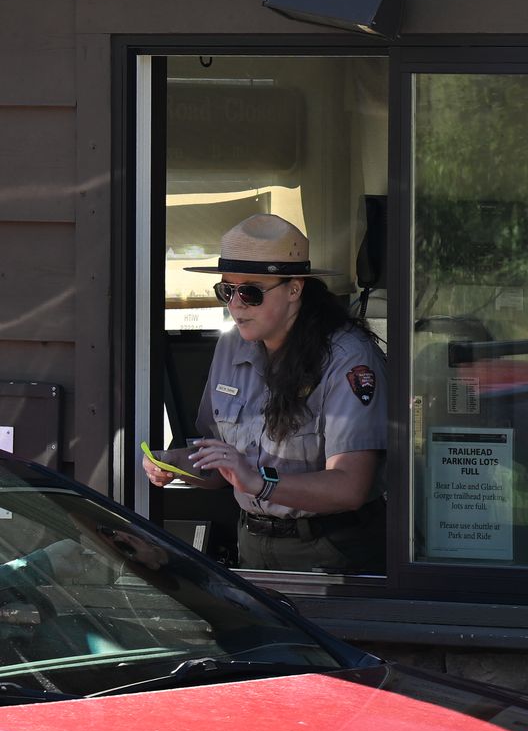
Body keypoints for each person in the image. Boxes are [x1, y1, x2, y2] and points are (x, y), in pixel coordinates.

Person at [141, 214, 388, 572]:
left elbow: (349, 487)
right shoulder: (230, 347)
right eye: (226, 290)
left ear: (294, 289)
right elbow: (223, 466)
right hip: (253, 545)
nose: (234, 305)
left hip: (334, 550)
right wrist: (179, 464)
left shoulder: (348, 358)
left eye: (250, 292)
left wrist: (259, 482)